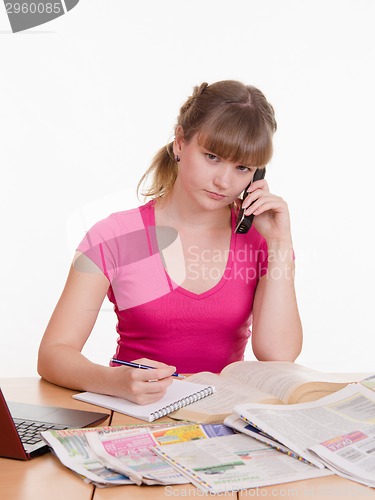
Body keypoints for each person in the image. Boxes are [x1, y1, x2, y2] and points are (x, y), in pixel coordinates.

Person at [38, 80, 303, 405]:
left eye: (242, 168)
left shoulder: (261, 241)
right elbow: (53, 354)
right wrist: (115, 381)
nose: (224, 181)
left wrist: (279, 243)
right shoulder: (114, 236)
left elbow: (278, 355)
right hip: (136, 415)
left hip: (224, 419)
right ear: (180, 143)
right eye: (212, 157)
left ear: (257, 174)